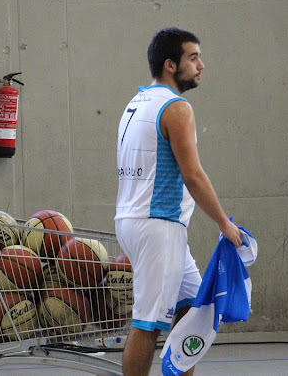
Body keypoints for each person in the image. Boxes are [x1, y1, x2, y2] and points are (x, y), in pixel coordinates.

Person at [114, 27, 242, 376]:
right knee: (147, 323)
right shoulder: (177, 108)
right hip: (158, 226)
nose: (202, 65)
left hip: (137, 221)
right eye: (193, 57)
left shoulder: (137, 101)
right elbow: (193, 176)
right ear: (170, 65)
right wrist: (223, 223)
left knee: (191, 308)